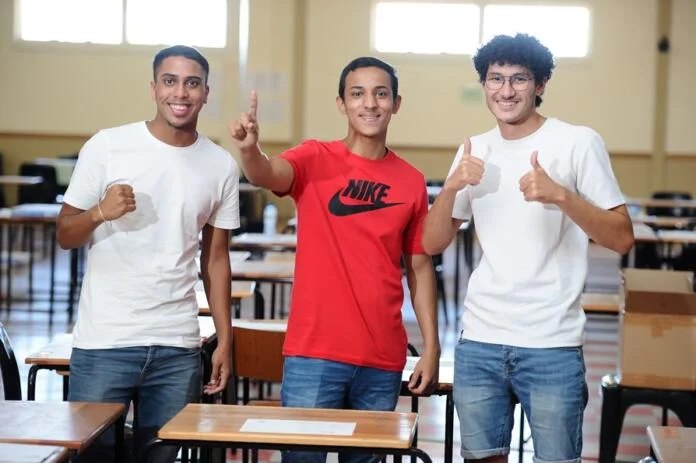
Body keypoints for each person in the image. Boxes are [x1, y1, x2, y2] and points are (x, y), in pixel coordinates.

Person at [422, 34, 634, 463]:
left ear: (540, 84)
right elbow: (432, 242)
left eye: (519, 79)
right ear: (484, 85)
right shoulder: (474, 149)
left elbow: (622, 237)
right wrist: (451, 188)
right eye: (495, 78)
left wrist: (562, 196)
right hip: (480, 339)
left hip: (552, 342)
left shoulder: (577, 142)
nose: (506, 90)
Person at [229, 56, 440, 463]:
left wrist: (431, 348)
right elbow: (266, 174)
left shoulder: (411, 180)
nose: (370, 103)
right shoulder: (314, 158)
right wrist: (249, 150)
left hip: (382, 358)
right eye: (357, 93)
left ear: (396, 103)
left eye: (381, 94)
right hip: (315, 354)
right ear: (342, 103)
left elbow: (419, 267)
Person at [57, 45, 240, 463]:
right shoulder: (108, 146)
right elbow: (65, 234)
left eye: (192, 83)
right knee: (93, 458)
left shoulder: (221, 165)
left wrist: (225, 340)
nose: (181, 92)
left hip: (177, 345)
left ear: (206, 93)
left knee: (161, 458)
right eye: (170, 81)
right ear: (154, 88)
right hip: (105, 341)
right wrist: (99, 212)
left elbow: (216, 260)